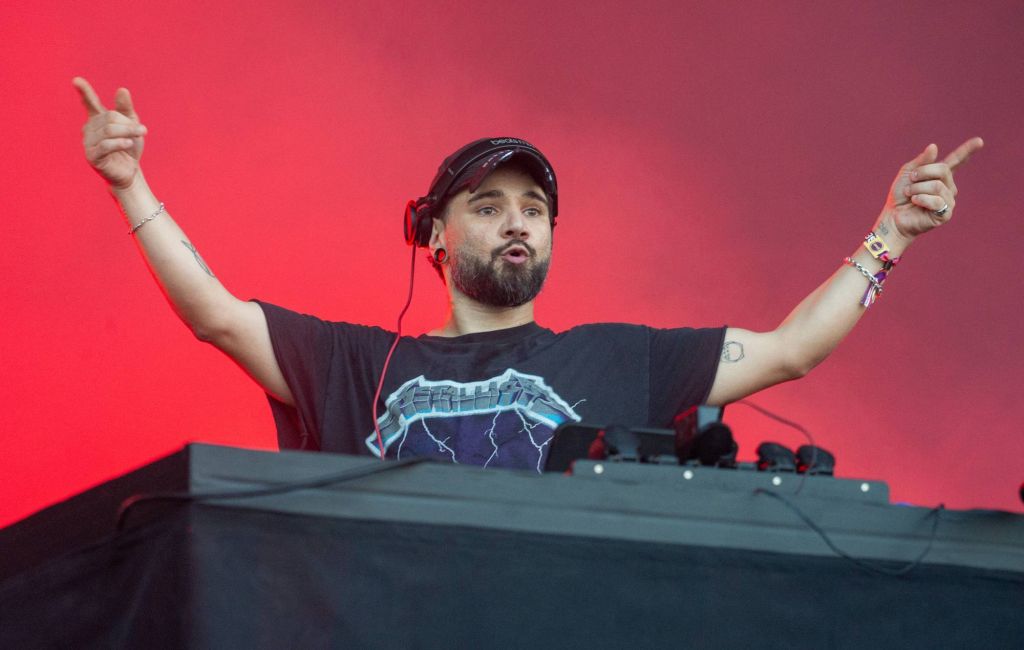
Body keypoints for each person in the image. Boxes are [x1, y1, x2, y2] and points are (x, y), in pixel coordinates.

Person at [73, 77, 984, 470]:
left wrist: (890, 233)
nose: (518, 221)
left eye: (535, 209)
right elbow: (217, 317)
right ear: (431, 237)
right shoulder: (360, 365)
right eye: (488, 204)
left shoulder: (620, 359)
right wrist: (130, 185)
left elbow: (791, 350)